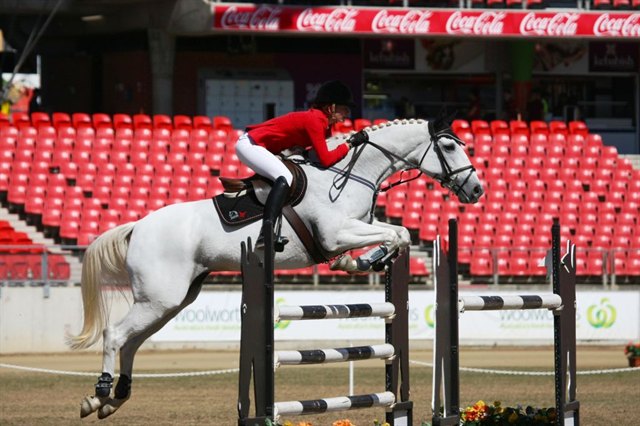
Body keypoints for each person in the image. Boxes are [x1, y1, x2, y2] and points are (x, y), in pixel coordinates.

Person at [235, 80, 367, 244]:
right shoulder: (315, 120)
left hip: (263, 148)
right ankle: (267, 231)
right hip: (250, 145)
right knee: (285, 177)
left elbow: (317, 157)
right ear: (331, 107)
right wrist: (349, 144)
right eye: (344, 108)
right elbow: (326, 160)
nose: (348, 113)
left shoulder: (324, 126)